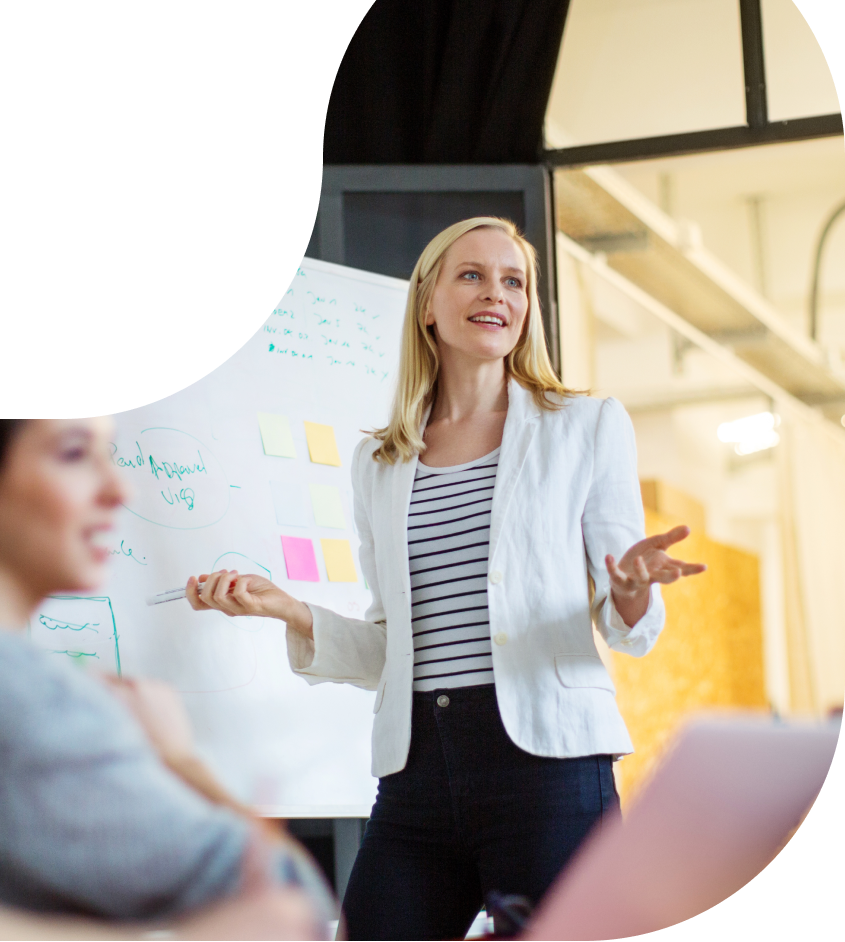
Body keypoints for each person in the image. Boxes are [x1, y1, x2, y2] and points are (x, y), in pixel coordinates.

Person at [184, 217, 706, 941]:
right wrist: (292, 611)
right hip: (417, 768)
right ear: (427, 302)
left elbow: (631, 626)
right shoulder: (382, 462)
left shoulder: (583, 426)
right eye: (472, 274)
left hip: (548, 768)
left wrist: (629, 588)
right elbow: (391, 650)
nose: (497, 293)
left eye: (514, 280)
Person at [0, 418, 332, 936]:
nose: (119, 489)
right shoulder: (5, 686)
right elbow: (293, 903)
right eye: (74, 454)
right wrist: (179, 759)